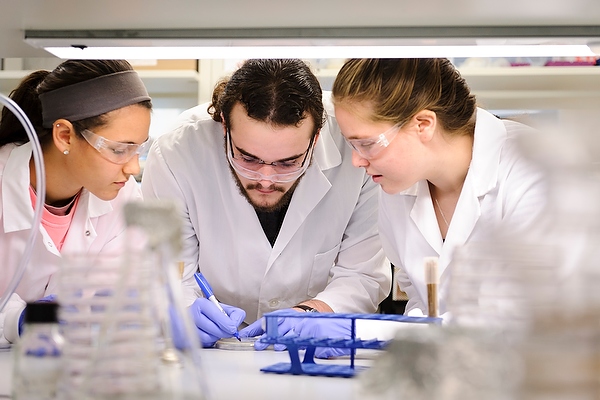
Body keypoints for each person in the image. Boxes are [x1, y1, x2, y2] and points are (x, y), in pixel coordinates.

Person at [141, 58, 391, 350]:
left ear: (316, 137)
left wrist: (315, 312)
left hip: (314, 350)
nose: (266, 179)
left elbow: (363, 272)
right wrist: (185, 312)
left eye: (289, 162)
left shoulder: (354, 147)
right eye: (248, 158)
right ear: (225, 127)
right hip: (217, 350)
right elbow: (171, 273)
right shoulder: (177, 151)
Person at [330, 58, 546, 319]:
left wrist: (372, 330)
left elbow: (524, 317)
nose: (357, 160)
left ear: (423, 125)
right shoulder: (398, 185)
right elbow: (422, 302)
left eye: (366, 143)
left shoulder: (533, 169)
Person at [0, 60, 152, 345]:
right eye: (119, 150)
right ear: (65, 135)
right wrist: (19, 320)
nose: (132, 168)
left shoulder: (124, 194)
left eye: (138, 150)